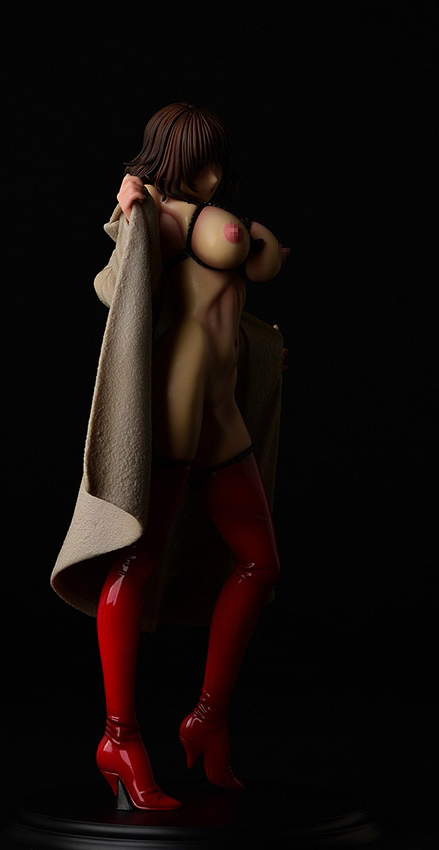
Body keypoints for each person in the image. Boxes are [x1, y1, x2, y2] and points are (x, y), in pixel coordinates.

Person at [53, 102, 289, 811]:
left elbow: (260, 259)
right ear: (171, 157)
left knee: (259, 562)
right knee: (133, 561)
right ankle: (119, 736)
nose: (212, 173)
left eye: (217, 158)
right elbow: (111, 288)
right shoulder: (160, 215)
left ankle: (208, 717)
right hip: (172, 421)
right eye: (198, 158)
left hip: (221, 424)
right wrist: (125, 217)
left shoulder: (200, 217)